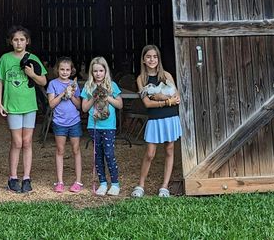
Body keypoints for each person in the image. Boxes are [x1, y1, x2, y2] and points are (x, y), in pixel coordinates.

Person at [0, 25, 47, 194]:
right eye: (15, 39)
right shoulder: (5, 59)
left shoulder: (33, 58)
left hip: (29, 105)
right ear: (11, 41)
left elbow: (43, 81)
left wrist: (32, 75)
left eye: (22, 39)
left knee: (27, 142)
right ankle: (12, 177)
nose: (19, 42)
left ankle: (26, 177)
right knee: (17, 142)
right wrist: (0, 102)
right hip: (12, 105)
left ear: (27, 41)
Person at [132, 45, 182, 198]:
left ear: (158, 59)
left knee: (169, 149)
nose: (152, 59)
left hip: (171, 116)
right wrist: (167, 100)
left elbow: (177, 97)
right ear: (143, 59)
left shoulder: (166, 75)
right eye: (148, 57)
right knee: (150, 153)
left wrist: (161, 98)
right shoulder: (141, 79)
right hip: (155, 118)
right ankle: (140, 185)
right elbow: (147, 103)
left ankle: (164, 187)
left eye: (155, 56)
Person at [80, 56, 123, 196]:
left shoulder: (112, 86)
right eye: (95, 71)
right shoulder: (88, 86)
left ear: (105, 71)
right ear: (91, 73)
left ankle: (115, 184)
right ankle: (103, 183)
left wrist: (106, 96)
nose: (98, 74)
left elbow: (119, 105)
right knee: (97, 155)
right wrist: (94, 96)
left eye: (101, 70)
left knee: (109, 154)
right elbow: (84, 108)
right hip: (94, 125)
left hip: (109, 126)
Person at [46, 57, 84, 193]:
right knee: (60, 150)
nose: (65, 72)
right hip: (59, 122)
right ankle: (60, 181)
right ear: (57, 70)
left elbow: (79, 105)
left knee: (76, 150)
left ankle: (78, 181)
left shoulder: (75, 85)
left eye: (68, 69)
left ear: (72, 71)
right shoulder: (53, 84)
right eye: (62, 69)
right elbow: (51, 104)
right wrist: (63, 93)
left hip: (74, 121)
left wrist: (72, 94)